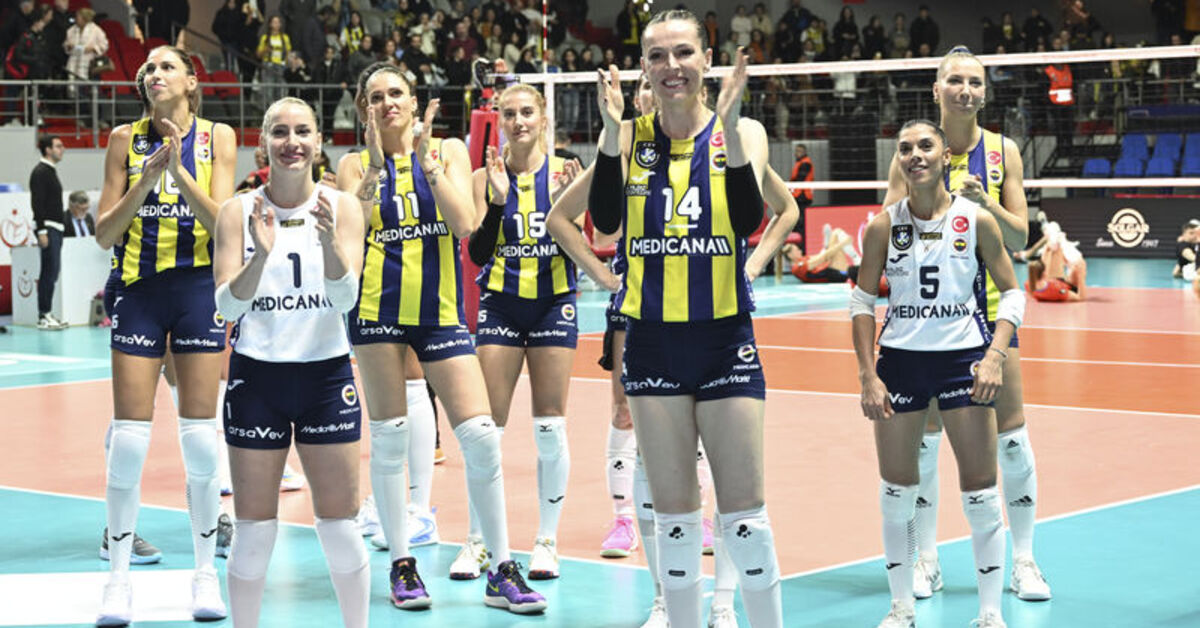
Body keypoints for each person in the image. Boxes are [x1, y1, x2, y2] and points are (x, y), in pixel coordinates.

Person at [556, 10, 784, 627]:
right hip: (652, 341)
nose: (671, 66)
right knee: (676, 520)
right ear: (644, 67)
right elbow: (603, 223)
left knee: (745, 518)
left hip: (725, 339)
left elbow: (748, 219)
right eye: (656, 56)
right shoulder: (629, 137)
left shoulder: (744, 131)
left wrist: (729, 126)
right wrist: (610, 135)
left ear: (706, 59)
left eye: (683, 52)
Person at [336, 62, 546, 614]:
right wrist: (370, 175)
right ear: (364, 109)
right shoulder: (352, 164)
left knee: (481, 436)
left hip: (440, 314)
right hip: (377, 314)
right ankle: (401, 564)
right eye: (376, 97)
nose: (387, 103)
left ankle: (502, 567)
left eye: (396, 93)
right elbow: (349, 235)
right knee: (389, 439)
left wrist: (426, 163)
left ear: (413, 101)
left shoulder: (448, 150)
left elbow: (466, 226)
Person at [883, 46, 1051, 604]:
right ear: (937, 89)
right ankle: (926, 559)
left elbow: (1020, 237)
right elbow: (889, 230)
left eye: (975, 82)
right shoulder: (913, 152)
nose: (965, 90)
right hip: (930, 323)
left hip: (990, 318)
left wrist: (984, 206)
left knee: (1012, 440)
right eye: (955, 81)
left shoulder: (1003, 152)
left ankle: (1023, 560)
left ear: (984, 91)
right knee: (925, 445)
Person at [855, 119, 1023, 628]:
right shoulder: (883, 227)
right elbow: (862, 303)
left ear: (945, 155)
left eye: (925, 146)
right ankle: (901, 606)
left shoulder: (977, 220)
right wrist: (868, 375)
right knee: (896, 492)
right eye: (905, 148)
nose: (915, 155)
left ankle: (990, 613)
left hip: (961, 361)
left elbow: (1012, 292)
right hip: (901, 363)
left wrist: (995, 355)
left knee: (981, 492)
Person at [93, 45, 237, 626]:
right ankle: (117, 581)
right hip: (139, 293)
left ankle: (204, 574)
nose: (154, 73)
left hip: (198, 292)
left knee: (200, 440)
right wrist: (146, 180)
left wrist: (177, 172)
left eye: (167, 66)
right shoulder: (123, 140)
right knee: (129, 440)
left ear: (191, 81)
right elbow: (104, 232)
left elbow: (223, 224)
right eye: (148, 68)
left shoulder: (217, 137)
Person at [212, 96, 366, 628]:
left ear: (319, 142)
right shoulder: (237, 212)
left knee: (340, 528)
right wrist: (259, 254)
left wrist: (329, 245)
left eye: (302, 131)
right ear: (263, 143)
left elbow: (346, 298)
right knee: (254, 533)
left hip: (326, 376)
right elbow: (227, 307)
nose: (292, 142)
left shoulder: (343, 207)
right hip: (257, 380)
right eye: (280, 132)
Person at [463, 83, 583, 580]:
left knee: (550, 427)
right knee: (485, 429)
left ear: (543, 117)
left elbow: (589, 243)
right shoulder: (483, 175)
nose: (518, 121)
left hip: (554, 303)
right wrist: (496, 202)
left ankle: (546, 541)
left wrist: (575, 202)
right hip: (501, 304)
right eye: (508, 114)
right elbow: (477, 253)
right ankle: (479, 541)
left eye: (527, 112)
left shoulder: (566, 171)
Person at [30, 135, 68, 330]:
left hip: (56, 228)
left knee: (53, 272)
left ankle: (48, 313)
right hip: (48, 227)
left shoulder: (50, 171)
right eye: (58, 146)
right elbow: (37, 203)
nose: (62, 149)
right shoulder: (40, 172)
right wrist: (42, 230)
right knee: (48, 272)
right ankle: (43, 315)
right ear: (47, 150)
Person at [789, 143, 813, 239]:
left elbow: (800, 178)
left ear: (804, 152)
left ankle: (800, 240)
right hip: (798, 195)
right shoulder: (800, 163)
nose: (797, 153)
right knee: (797, 219)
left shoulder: (805, 163)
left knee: (800, 221)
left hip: (802, 196)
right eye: (796, 151)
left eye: (799, 151)